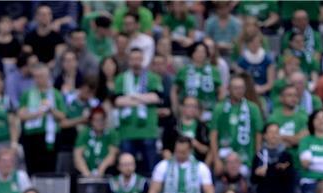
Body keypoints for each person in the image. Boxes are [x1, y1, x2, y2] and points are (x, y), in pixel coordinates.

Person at [114, 48, 163, 177]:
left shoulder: (152, 78)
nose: (136, 62)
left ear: (143, 60)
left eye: (138, 59)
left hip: (148, 130)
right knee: (126, 168)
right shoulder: (121, 79)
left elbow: (156, 97)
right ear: (128, 61)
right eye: (133, 59)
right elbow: (118, 101)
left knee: (151, 170)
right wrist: (143, 98)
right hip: (127, 131)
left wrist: (132, 97)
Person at [18, 64, 66, 174]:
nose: (38, 79)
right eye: (36, 76)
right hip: (31, 135)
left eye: (42, 76)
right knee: (32, 167)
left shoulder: (55, 94)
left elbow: (62, 116)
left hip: (50, 135)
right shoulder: (28, 94)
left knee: (49, 167)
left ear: (48, 77)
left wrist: (50, 109)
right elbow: (21, 115)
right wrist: (37, 113)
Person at [210, 75, 263, 171]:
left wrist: (257, 160)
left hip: (247, 160)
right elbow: (213, 135)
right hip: (223, 159)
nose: (239, 91)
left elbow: (258, 135)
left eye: (242, 88)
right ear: (229, 89)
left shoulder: (253, 108)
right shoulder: (219, 108)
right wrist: (216, 160)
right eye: (236, 88)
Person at [252, 122, 295, 193]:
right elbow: (253, 179)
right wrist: (258, 173)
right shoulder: (259, 155)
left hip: (282, 192)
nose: (274, 135)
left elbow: (290, 177)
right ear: (265, 135)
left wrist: (276, 171)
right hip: (264, 192)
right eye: (271, 132)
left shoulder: (286, 155)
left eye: (276, 132)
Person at [172, 42, 223, 122]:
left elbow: (221, 91)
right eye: (197, 51)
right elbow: (174, 90)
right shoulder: (184, 70)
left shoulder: (214, 71)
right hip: (187, 111)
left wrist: (218, 108)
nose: (200, 54)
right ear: (192, 53)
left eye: (203, 52)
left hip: (208, 111)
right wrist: (176, 107)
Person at [73, 107, 119, 177]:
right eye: (96, 120)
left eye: (102, 119)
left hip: (105, 171)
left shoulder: (112, 133)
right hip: (86, 171)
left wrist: (100, 171)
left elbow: (112, 155)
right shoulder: (84, 133)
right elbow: (78, 156)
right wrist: (87, 174)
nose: (99, 123)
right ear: (91, 121)